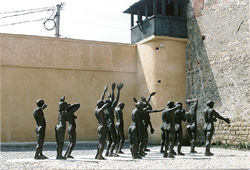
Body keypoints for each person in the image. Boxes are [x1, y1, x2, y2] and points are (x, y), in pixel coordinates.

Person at [105, 83, 123, 157]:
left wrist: (112, 90)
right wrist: (118, 90)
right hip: (111, 125)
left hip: (107, 126)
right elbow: (116, 99)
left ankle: (107, 152)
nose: (111, 101)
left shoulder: (105, 109)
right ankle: (111, 153)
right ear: (109, 104)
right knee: (115, 140)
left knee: (109, 140)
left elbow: (112, 99)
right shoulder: (111, 108)